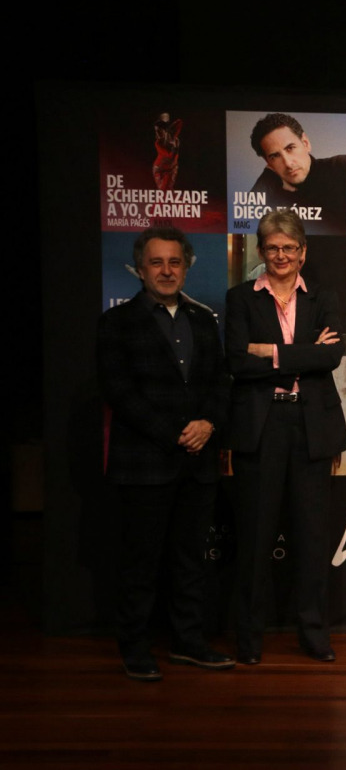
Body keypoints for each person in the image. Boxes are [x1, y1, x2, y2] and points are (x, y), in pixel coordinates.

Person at [97, 226, 233, 681]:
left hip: (198, 465)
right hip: (144, 464)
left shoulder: (204, 320)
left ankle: (189, 643)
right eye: (157, 262)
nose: (167, 270)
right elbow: (118, 391)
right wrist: (174, 434)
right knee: (140, 563)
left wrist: (208, 423)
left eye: (175, 262)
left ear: (186, 268)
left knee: (191, 561)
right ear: (140, 269)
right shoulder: (116, 322)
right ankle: (135, 648)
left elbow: (220, 382)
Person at [225, 210, 346, 665]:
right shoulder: (240, 298)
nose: (281, 256)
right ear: (261, 251)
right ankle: (248, 639)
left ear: (303, 253)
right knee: (255, 538)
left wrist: (270, 353)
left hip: (312, 426)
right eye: (273, 248)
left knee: (312, 538)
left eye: (290, 248)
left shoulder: (323, 298)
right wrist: (302, 354)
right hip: (261, 426)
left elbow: (330, 357)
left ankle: (314, 635)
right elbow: (238, 362)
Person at [248, 112, 346, 232]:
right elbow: (247, 220)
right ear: (268, 162)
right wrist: (268, 176)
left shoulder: (341, 167)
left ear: (305, 143)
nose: (288, 163)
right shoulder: (272, 191)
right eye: (275, 156)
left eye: (290, 148)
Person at [152, 113, 182, 192]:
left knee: (168, 191)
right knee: (164, 191)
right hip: (160, 170)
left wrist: (169, 127)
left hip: (172, 168)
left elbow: (179, 122)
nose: (157, 133)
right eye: (156, 131)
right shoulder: (158, 143)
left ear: (165, 130)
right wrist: (175, 148)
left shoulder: (173, 137)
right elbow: (168, 156)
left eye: (159, 130)